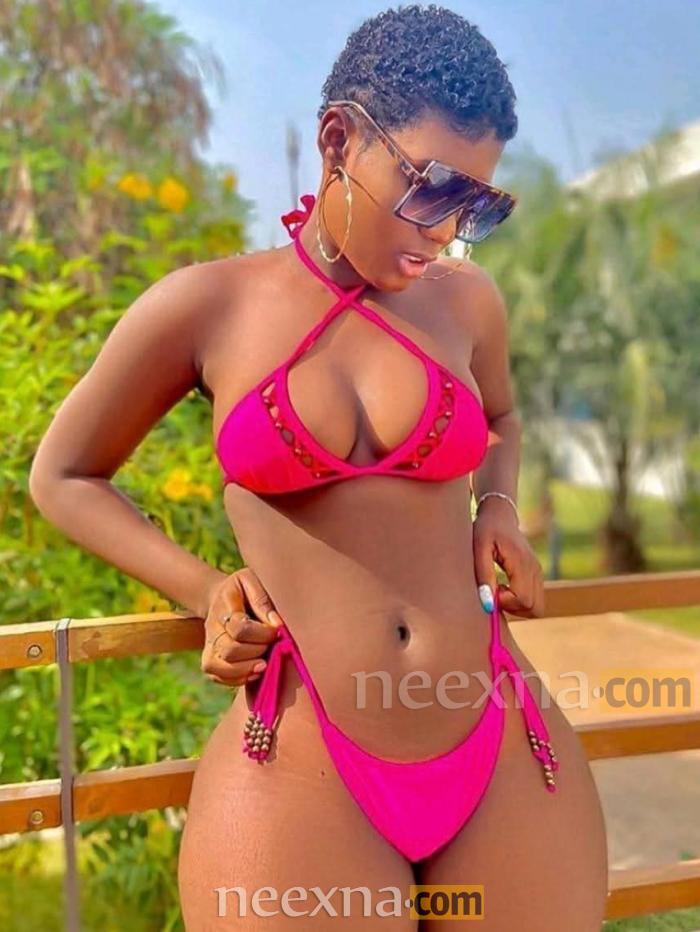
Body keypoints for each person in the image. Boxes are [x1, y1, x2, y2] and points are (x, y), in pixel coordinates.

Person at [29, 5, 608, 929]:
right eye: (431, 188)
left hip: (498, 730)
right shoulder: (209, 306)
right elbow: (63, 476)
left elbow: (502, 415)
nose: (447, 231)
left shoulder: (465, 302)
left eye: (478, 206)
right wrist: (204, 589)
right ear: (339, 140)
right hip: (303, 756)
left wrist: (497, 505)